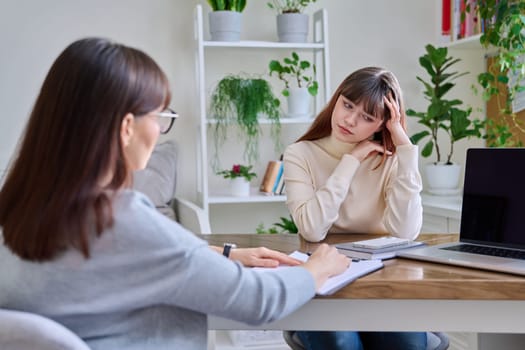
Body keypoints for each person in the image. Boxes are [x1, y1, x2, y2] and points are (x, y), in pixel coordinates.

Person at [0, 37, 350, 350]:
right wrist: (316, 268)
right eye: (160, 116)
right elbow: (257, 300)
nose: (160, 129)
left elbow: (117, 260)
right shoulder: (121, 217)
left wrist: (222, 254)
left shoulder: (19, 207)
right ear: (126, 127)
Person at [283, 67, 426, 350]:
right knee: (341, 342)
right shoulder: (300, 154)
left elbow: (406, 233)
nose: (349, 120)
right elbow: (312, 228)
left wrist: (405, 150)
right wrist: (351, 160)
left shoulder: (391, 160)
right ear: (336, 99)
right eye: (347, 105)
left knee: (408, 342)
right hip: (323, 283)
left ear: (381, 126)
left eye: (367, 117)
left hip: (381, 283)